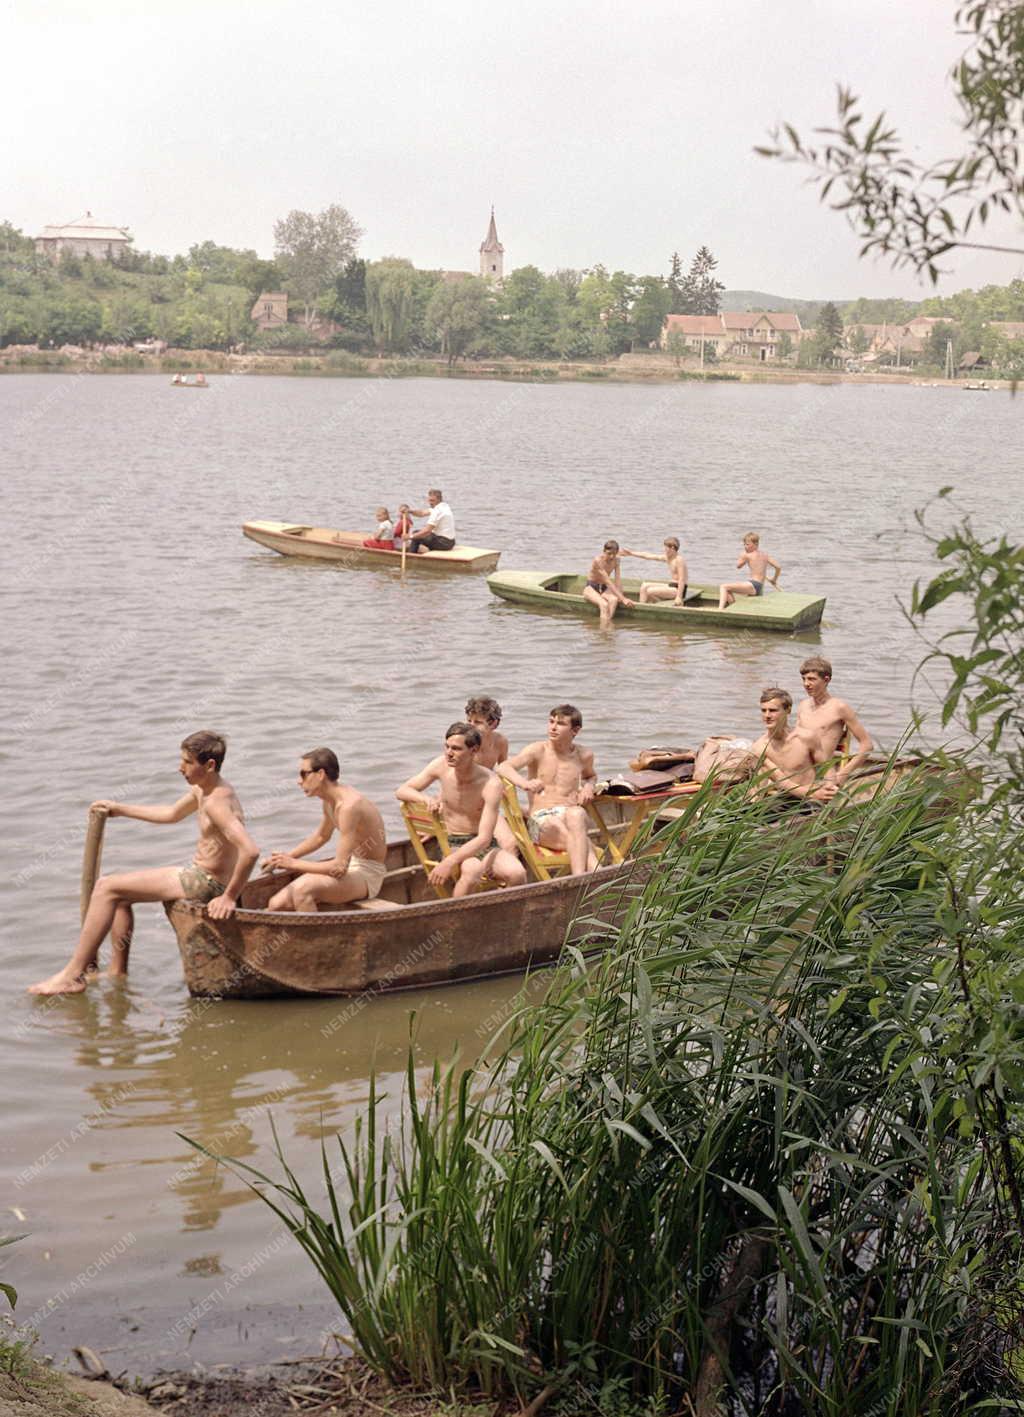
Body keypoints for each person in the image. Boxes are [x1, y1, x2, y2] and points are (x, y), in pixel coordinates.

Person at [28, 731, 260, 996]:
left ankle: (72, 975)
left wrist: (229, 897)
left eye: (187, 762)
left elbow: (250, 851)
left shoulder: (217, 801)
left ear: (209, 765)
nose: (180, 767)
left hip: (206, 882)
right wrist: (120, 809)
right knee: (121, 898)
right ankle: (117, 971)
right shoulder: (204, 789)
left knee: (106, 887)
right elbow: (171, 814)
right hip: (201, 874)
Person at [396, 724, 526, 896]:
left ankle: (504, 914)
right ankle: (454, 920)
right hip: (452, 843)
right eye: (447, 746)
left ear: (474, 750)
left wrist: (450, 862)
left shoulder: (490, 783)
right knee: (472, 870)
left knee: (518, 873)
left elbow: (485, 838)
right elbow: (402, 790)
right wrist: (426, 798)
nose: (449, 753)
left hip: (482, 844)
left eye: (456, 749)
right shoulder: (440, 765)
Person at [262, 748, 389, 910]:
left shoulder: (349, 807)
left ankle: (311, 935)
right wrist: (285, 858)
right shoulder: (329, 800)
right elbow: (321, 837)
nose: (299, 781)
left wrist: (292, 864)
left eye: (303, 774)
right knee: (275, 904)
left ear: (320, 774)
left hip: (367, 873)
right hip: (351, 866)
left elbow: (338, 867)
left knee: (303, 891)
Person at [497, 704, 599, 875]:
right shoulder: (538, 750)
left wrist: (588, 787)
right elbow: (503, 767)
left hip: (569, 814)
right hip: (540, 821)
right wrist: (524, 783)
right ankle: (590, 876)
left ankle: (580, 879)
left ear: (575, 731)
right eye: (551, 721)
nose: (552, 727)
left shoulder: (584, 755)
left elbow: (591, 776)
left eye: (560, 723)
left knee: (578, 813)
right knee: (577, 838)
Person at [750, 688, 837, 806]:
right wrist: (813, 794)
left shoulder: (807, 737)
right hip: (784, 800)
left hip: (809, 801)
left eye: (773, 710)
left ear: (788, 710)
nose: (767, 715)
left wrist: (829, 787)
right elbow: (782, 782)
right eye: (763, 710)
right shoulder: (760, 747)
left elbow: (827, 768)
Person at [796, 656, 873, 786]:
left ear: (826, 680)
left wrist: (843, 774)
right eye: (804, 679)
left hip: (822, 774)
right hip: (798, 770)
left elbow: (867, 745)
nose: (806, 684)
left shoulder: (839, 707)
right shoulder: (803, 706)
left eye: (811, 679)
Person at [718, 532, 781, 610]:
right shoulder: (765, 555)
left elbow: (738, 566)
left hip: (753, 585)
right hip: (760, 587)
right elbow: (778, 567)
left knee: (724, 587)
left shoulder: (747, 555)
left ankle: (720, 609)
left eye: (747, 544)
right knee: (728, 591)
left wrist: (742, 556)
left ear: (756, 544)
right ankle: (733, 609)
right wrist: (774, 579)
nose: (745, 547)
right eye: (744, 544)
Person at [582, 540, 635, 628]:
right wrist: (623, 599)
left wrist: (620, 596)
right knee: (604, 604)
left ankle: (607, 628)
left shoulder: (617, 560)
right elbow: (608, 581)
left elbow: (617, 579)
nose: (611, 556)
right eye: (609, 553)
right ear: (604, 551)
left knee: (614, 600)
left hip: (603, 588)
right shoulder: (598, 560)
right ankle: (603, 631)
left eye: (614, 554)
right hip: (591, 587)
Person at [621, 538, 689, 605]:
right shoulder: (668, 558)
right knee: (644, 586)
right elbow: (648, 556)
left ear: (673, 548)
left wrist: (679, 597)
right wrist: (631, 553)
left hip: (678, 590)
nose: (665, 551)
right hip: (671, 586)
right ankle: (642, 606)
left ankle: (657, 604)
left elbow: (682, 579)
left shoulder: (679, 560)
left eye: (666, 549)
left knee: (649, 591)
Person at [464, 696, 509, 770]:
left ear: (493, 724)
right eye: (469, 721)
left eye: (478, 722)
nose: (471, 725)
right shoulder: (463, 742)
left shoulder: (500, 742)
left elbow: (504, 770)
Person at [406, 489, 456, 553]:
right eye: (429, 500)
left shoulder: (437, 511)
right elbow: (422, 513)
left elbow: (427, 531)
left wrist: (410, 537)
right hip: (451, 542)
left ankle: (411, 556)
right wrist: (410, 511)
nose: (430, 503)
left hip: (444, 544)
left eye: (432, 501)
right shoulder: (444, 506)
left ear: (439, 500)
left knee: (416, 536)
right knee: (418, 533)